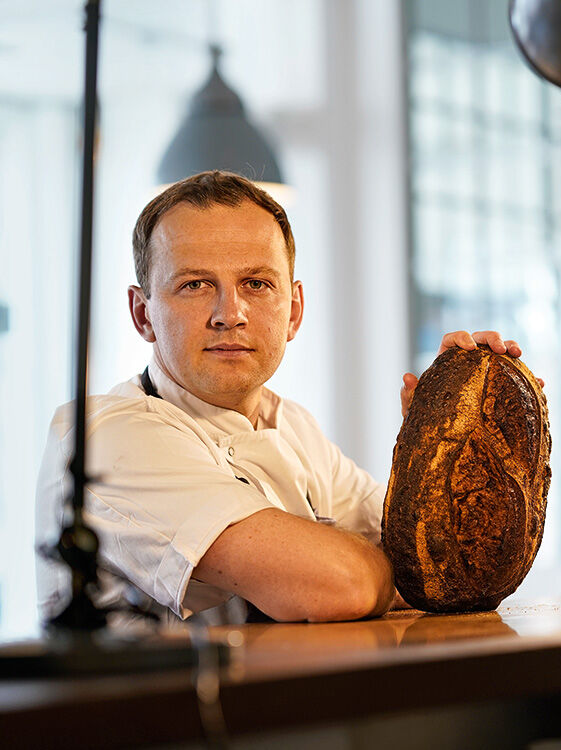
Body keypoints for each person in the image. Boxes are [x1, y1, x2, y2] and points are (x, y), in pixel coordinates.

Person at [35, 170, 527, 624]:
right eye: (194, 285)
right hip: (159, 718)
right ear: (143, 314)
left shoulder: (293, 427)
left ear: (293, 310)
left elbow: (446, 563)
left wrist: (437, 453)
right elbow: (347, 583)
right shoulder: (108, 438)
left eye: (255, 283)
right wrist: (376, 565)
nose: (230, 313)